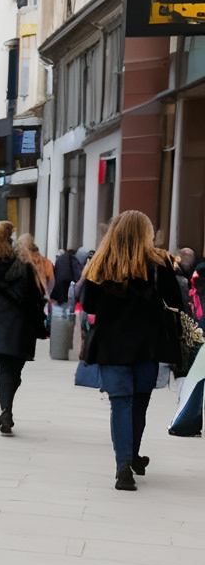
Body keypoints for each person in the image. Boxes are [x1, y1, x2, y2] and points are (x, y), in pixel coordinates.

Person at [77, 210, 185, 491]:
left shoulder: (100, 263)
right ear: (146, 234)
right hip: (148, 345)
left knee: (121, 403)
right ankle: (132, 455)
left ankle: (125, 464)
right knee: (139, 403)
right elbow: (176, 301)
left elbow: (88, 305)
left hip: (112, 346)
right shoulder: (159, 263)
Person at [0, 222, 44, 436]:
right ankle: (8, 407)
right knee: (14, 369)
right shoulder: (24, 266)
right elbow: (35, 298)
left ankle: (6, 409)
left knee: (4, 369)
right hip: (21, 324)